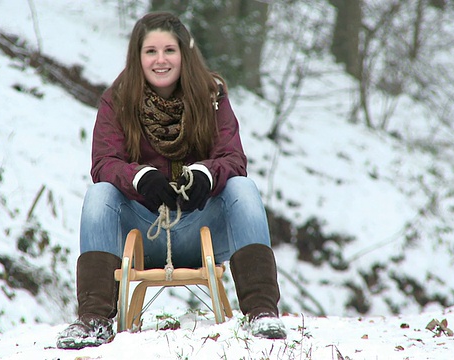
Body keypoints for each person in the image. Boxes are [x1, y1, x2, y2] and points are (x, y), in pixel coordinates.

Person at [56, 11, 286, 349]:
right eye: (150, 51)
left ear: (185, 54)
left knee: (243, 187)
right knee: (99, 193)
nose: (160, 60)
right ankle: (93, 319)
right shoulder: (116, 100)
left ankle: (262, 312)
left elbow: (233, 158)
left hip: (200, 226)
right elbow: (104, 162)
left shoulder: (213, 96)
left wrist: (206, 175)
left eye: (169, 50)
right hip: (142, 231)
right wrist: (140, 177)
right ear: (137, 56)